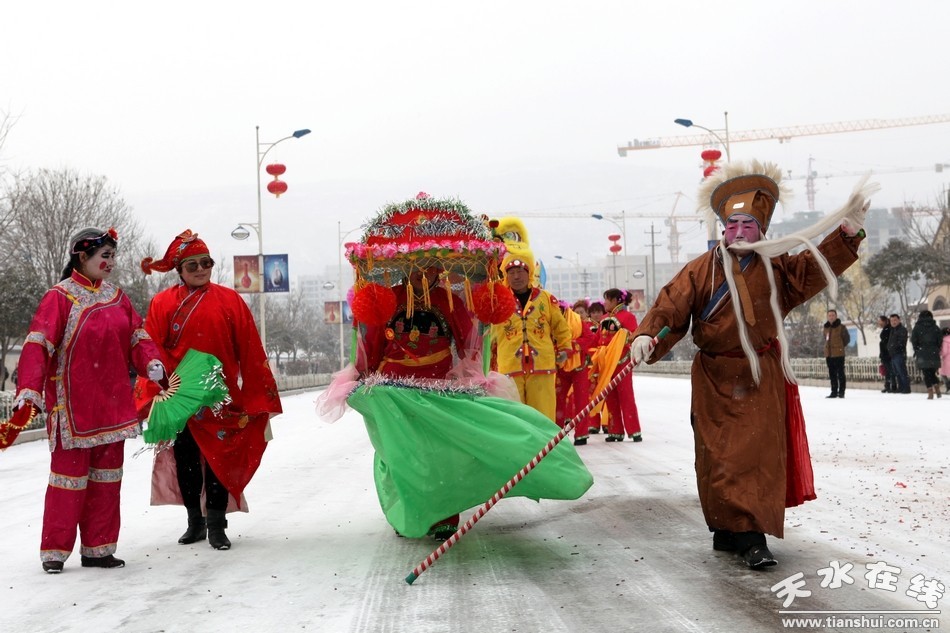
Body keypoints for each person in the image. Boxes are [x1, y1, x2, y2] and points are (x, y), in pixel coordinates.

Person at [628, 160, 875, 569]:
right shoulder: (699, 271)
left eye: (748, 226)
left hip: (761, 377)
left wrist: (846, 233)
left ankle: (752, 536)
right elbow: (671, 310)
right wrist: (645, 337)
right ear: (722, 230)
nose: (739, 233)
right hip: (714, 376)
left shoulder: (777, 268)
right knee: (718, 457)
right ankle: (727, 528)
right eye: (733, 225)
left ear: (762, 231)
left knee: (754, 456)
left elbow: (814, 268)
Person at [8, 228, 165, 573]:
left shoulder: (117, 297)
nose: (110, 263)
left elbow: (137, 337)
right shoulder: (60, 297)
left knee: (107, 481)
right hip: (73, 407)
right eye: (104, 256)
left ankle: (99, 549)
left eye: (112, 256)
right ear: (82, 257)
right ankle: (54, 550)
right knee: (68, 482)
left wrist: (149, 361)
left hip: (112, 407)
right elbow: (38, 345)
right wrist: (29, 389)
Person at [139, 230, 282, 550]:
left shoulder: (230, 300)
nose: (201, 269)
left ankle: (218, 524)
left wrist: (256, 393)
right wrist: (153, 388)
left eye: (206, 263)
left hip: (221, 394)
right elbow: (150, 349)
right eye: (193, 266)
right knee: (186, 460)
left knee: (220, 460)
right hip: (179, 397)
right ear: (179, 271)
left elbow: (249, 348)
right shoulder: (162, 303)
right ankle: (195, 522)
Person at [355, 265, 474, 538]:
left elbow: (468, 344)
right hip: (394, 389)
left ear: (438, 269)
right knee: (401, 453)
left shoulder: (450, 302)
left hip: (438, 388)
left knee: (440, 453)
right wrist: (364, 375)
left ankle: (444, 516)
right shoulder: (387, 298)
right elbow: (372, 344)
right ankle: (409, 513)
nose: (420, 273)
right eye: (413, 266)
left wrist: (472, 375)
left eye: (428, 266)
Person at [490, 257, 572, 422]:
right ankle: (518, 448)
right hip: (510, 367)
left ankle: (545, 446)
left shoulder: (546, 299)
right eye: (511, 273)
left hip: (542, 365)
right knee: (515, 416)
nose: (516, 277)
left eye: (520, 272)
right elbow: (489, 333)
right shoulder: (498, 300)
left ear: (529, 274)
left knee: (543, 415)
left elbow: (560, 327)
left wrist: (564, 349)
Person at [591, 288, 642, 442]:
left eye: (607, 299)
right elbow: (597, 340)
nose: (604, 303)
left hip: (622, 362)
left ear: (615, 301)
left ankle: (634, 430)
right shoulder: (604, 318)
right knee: (610, 398)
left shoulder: (628, 317)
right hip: (607, 364)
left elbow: (634, 336)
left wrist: (623, 340)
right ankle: (615, 431)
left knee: (626, 396)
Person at [555, 300, 598, 445]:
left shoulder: (576, 320)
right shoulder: (551, 321)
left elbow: (590, 338)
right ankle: (557, 432)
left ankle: (581, 433)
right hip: (560, 364)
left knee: (581, 400)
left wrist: (571, 346)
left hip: (579, 365)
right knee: (557, 400)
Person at [910, 310, 942, 399]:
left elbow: (913, 340)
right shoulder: (935, 327)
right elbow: (940, 340)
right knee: (931, 372)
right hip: (934, 352)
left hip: (922, 352)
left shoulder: (917, 327)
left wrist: (917, 349)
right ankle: (936, 387)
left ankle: (930, 392)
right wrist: (936, 348)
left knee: (926, 373)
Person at [822, 309, 850, 398]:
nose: (831, 317)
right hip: (829, 354)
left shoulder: (841, 327)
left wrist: (840, 347)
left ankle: (841, 392)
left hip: (839, 354)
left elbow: (846, 339)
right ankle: (833, 392)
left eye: (833, 315)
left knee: (840, 373)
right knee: (832, 374)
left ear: (836, 316)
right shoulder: (825, 328)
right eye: (829, 315)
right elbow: (825, 339)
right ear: (827, 317)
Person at [887, 314, 911, 394]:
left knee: (902, 371)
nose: (893, 322)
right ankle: (900, 387)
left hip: (899, 354)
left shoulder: (902, 329)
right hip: (893, 354)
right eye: (891, 320)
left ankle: (906, 388)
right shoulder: (893, 330)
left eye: (895, 320)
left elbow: (901, 342)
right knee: (897, 372)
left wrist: (893, 348)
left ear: (899, 320)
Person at [878, 315, 896, 393]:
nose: (879, 323)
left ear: (885, 321)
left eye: (880, 321)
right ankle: (888, 385)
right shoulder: (886, 329)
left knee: (890, 370)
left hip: (887, 353)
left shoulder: (888, 329)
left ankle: (892, 386)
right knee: (887, 371)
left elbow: (887, 342)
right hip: (884, 354)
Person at [940, 327, 950, 394]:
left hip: (947, 359)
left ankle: (948, 387)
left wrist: (940, 354)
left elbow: (944, 351)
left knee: (942, 374)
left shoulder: (944, 340)